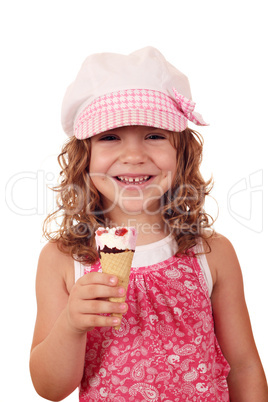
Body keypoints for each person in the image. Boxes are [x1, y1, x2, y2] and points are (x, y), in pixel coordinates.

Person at [29, 47, 268, 402]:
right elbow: (50, 388)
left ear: (181, 152)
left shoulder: (211, 253)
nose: (134, 155)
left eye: (154, 135)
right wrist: (71, 324)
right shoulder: (64, 259)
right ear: (84, 157)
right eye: (110, 137)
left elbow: (245, 367)